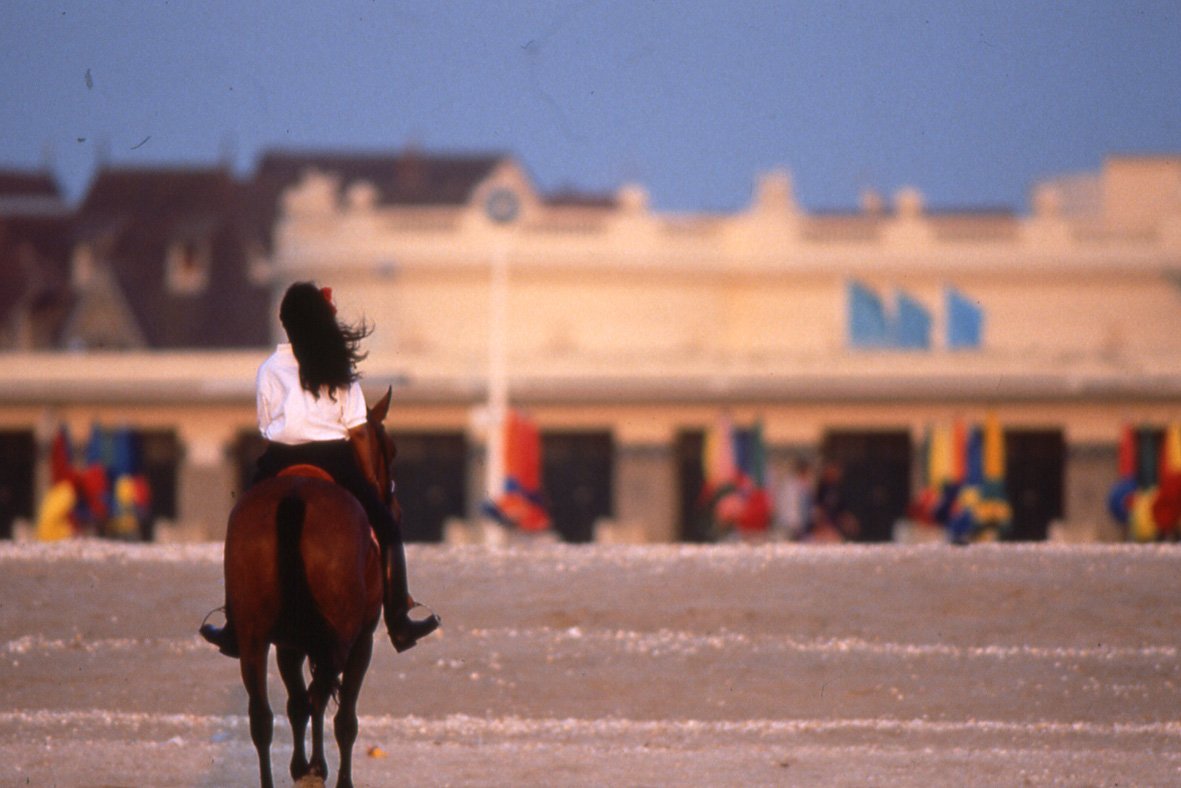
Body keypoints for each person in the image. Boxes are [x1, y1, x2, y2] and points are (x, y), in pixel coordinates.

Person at [201, 282, 439, 656]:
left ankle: (235, 623)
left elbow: (266, 425)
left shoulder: (269, 368)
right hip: (333, 458)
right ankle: (399, 622)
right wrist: (369, 480)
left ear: (287, 323)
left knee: (241, 523)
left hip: (279, 457)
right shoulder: (338, 366)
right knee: (388, 528)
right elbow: (358, 431)